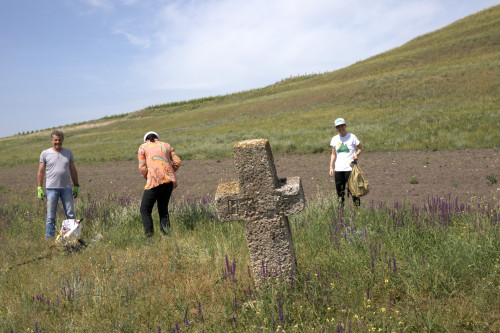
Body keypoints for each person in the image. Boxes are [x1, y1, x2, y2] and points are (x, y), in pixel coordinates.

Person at [37, 130, 79, 239]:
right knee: (51, 216)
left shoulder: (68, 153)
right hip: (51, 189)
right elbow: (40, 171)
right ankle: (49, 238)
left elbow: (73, 169)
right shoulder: (45, 153)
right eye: (55, 140)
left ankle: (72, 237)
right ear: (51, 141)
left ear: (62, 140)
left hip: (66, 188)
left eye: (59, 140)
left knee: (71, 215)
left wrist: (76, 185)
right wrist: (39, 188)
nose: (57, 142)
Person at [138, 131, 181, 236]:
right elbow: (177, 161)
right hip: (169, 181)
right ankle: (165, 235)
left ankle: (149, 236)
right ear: (157, 138)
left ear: (146, 140)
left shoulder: (143, 147)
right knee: (163, 208)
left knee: (145, 209)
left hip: (154, 181)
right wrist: (169, 172)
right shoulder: (166, 145)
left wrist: (147, 177)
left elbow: (142, 167)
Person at [329, 118, 363, 206]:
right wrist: (331, 167)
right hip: (339, 169)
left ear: (345, 126)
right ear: (336, 128)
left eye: (342, 126)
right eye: (338, 127)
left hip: (350, 168)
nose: (340, 128)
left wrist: (357, 154)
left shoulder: (352, 137)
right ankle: (341, 212)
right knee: (340, 193)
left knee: (354, 190)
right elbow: (333, 154)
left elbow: (360, 148)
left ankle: (357, 211)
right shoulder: (334, 139)